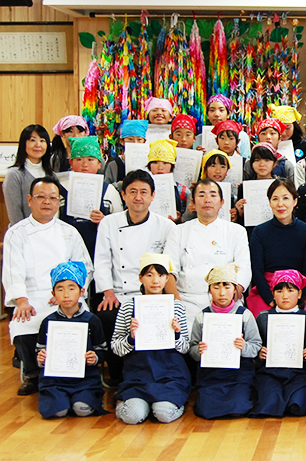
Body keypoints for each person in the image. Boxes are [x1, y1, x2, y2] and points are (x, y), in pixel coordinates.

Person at [3, 177, 93, 395]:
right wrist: (21, 301)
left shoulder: (69, 231)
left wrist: (67, 292)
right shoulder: (16, 232)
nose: (47, 202)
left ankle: (72, 371)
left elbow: (84, 267)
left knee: (78, 318)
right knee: (23, 322)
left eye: (53, 198)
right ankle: (33, 374)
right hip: (31, 296)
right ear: (29, 200)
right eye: (41, 197)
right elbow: (13, 270)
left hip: (66, 294)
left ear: (59, 202)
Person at [94, 169, 176, 387]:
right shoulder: (108, 223)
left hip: (154, 292)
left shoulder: (166, 226)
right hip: (119, 292)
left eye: (143, 192)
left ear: (153, 195)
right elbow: (101, 261)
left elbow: (169, 267)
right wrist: (108, 292)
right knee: (105, 316)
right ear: (123, 195)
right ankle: (117, 375)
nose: (138, 197)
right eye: (132, 191)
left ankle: (154, 374)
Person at [112, 253, 190, 424]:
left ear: (167, 278)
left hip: (169, 375)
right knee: (133, 416)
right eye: (149, 275)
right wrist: (131, 338)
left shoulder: (176, 306)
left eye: (161, 275)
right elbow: (116, 347)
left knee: (164, 414)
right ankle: (125, 403)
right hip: (139, 374)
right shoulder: (128, 306)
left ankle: (172, 404)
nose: (155, 281)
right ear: (140, 278)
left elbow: (185, 347)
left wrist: (176, 333)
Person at [164, 178, 251, 321]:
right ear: (193, 203)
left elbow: (244, 269)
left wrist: (229, 301)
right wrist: (177, 306)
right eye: (202, 195)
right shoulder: (178, 231)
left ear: (222, 203)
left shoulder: (236, 231)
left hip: (226, 301)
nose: (207, 200)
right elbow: (169, 270)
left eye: (213, 195)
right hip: (187, 302)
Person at [35, 261, 108, 419]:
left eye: (71, 288)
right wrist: (41, 358)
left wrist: (94, 358)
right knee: (58, 411)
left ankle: (84, 399)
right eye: (60, 289)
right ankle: (60, 400)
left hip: (85, 379)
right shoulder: (48, 322)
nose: (66, 294)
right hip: (55, 381)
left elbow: (102, 350)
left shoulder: (92, 320)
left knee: (82, 409)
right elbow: (39, 350)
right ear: (53, 293)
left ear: (81, 291)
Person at [189, 263, 262, 419]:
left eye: (227, 287)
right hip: (211, 375)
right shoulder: (202, 317)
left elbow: (256, 346)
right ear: (210, 290)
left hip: (238, 375)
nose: (222, 293)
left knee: (238, 407)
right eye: (216, 287)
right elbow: (192, 348)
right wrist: (199, 351)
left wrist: (244, 347)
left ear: (235, 289)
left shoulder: (245, 315)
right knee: (206, 409)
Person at [247, 179, 306, 316]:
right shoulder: (259, 232)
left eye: (285, 198)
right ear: (269, 202)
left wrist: (297, 298)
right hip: (268, 290)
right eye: (275, 199)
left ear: (295, 201)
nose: (280, 204)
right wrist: (270, 299)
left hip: (298, 290)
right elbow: (257, 271)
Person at [251, 270, 306, 417]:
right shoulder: (263, 318)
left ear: (299, 293)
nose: (285, 296)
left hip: (300, 373)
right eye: (279, 291)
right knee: (269, 404)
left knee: (296, 406)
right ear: (273, 294)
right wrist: (260, 354)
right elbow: (255, 347)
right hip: (271, 373)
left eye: (290, 290)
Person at [58, 135, 122, 259]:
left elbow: (119, 225)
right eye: (79, 159)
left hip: (100, 253)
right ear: (71, 163)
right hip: (67, 252)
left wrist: (104, 221)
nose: (85, 164)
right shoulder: (59, 190)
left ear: (99, 164)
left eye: (90, 159)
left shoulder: (109, 190)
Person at [3, 125, 55, 227]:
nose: (38, 145)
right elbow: (14, 211)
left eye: (42, 140)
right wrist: (23, 233)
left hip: (49, 232)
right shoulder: (14, 174)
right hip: (24, 232)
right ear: (24, 144)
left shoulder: (51, 175)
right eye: (32, 140)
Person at [146, 138, 190, 221]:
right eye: (155, 162)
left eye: (165, 163)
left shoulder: (182, 190)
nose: (160, 167)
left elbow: (190, 216)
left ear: (171, 165)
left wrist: (180, 219)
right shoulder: (142, 188)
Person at [195, 95, 251, 159]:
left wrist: (236, 156)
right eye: (212, 110)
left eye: (221, 110)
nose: (216, 114)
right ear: (207, 115)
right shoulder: (199, 139)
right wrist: (198, 156)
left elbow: (247, 161)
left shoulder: (242, 136)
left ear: (228, 114)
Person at [104, 120, 148, 187]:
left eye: (139, 139)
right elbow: (106, 188)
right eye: (130, 139)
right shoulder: (113, 164)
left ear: (144, 141)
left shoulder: (149, 163)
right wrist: (121, 184)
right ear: (122, 141)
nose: (135, 143)